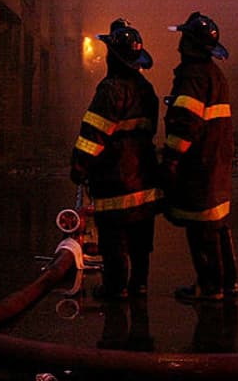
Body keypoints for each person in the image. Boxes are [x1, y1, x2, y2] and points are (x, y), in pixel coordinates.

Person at [70, 18, 161, 300]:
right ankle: (139, 284)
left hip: (115, 180)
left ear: (114, 57)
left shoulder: (110, 91)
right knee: (141, 240)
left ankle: (115, 287)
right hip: (144, 178)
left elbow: (93, 135)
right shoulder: (147, 90)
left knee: (114, 239)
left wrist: (79, 166)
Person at [161, 11, 237, 303]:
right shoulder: (214, 74)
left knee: (201, 227)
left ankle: (209, 286)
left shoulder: (193, 76)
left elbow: (186, 123)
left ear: (190, 44)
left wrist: (171, 159)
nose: (179, 44)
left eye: (184, 38)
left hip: (199, 165)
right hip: (216, 162)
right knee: (217, 224)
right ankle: (228, 282)